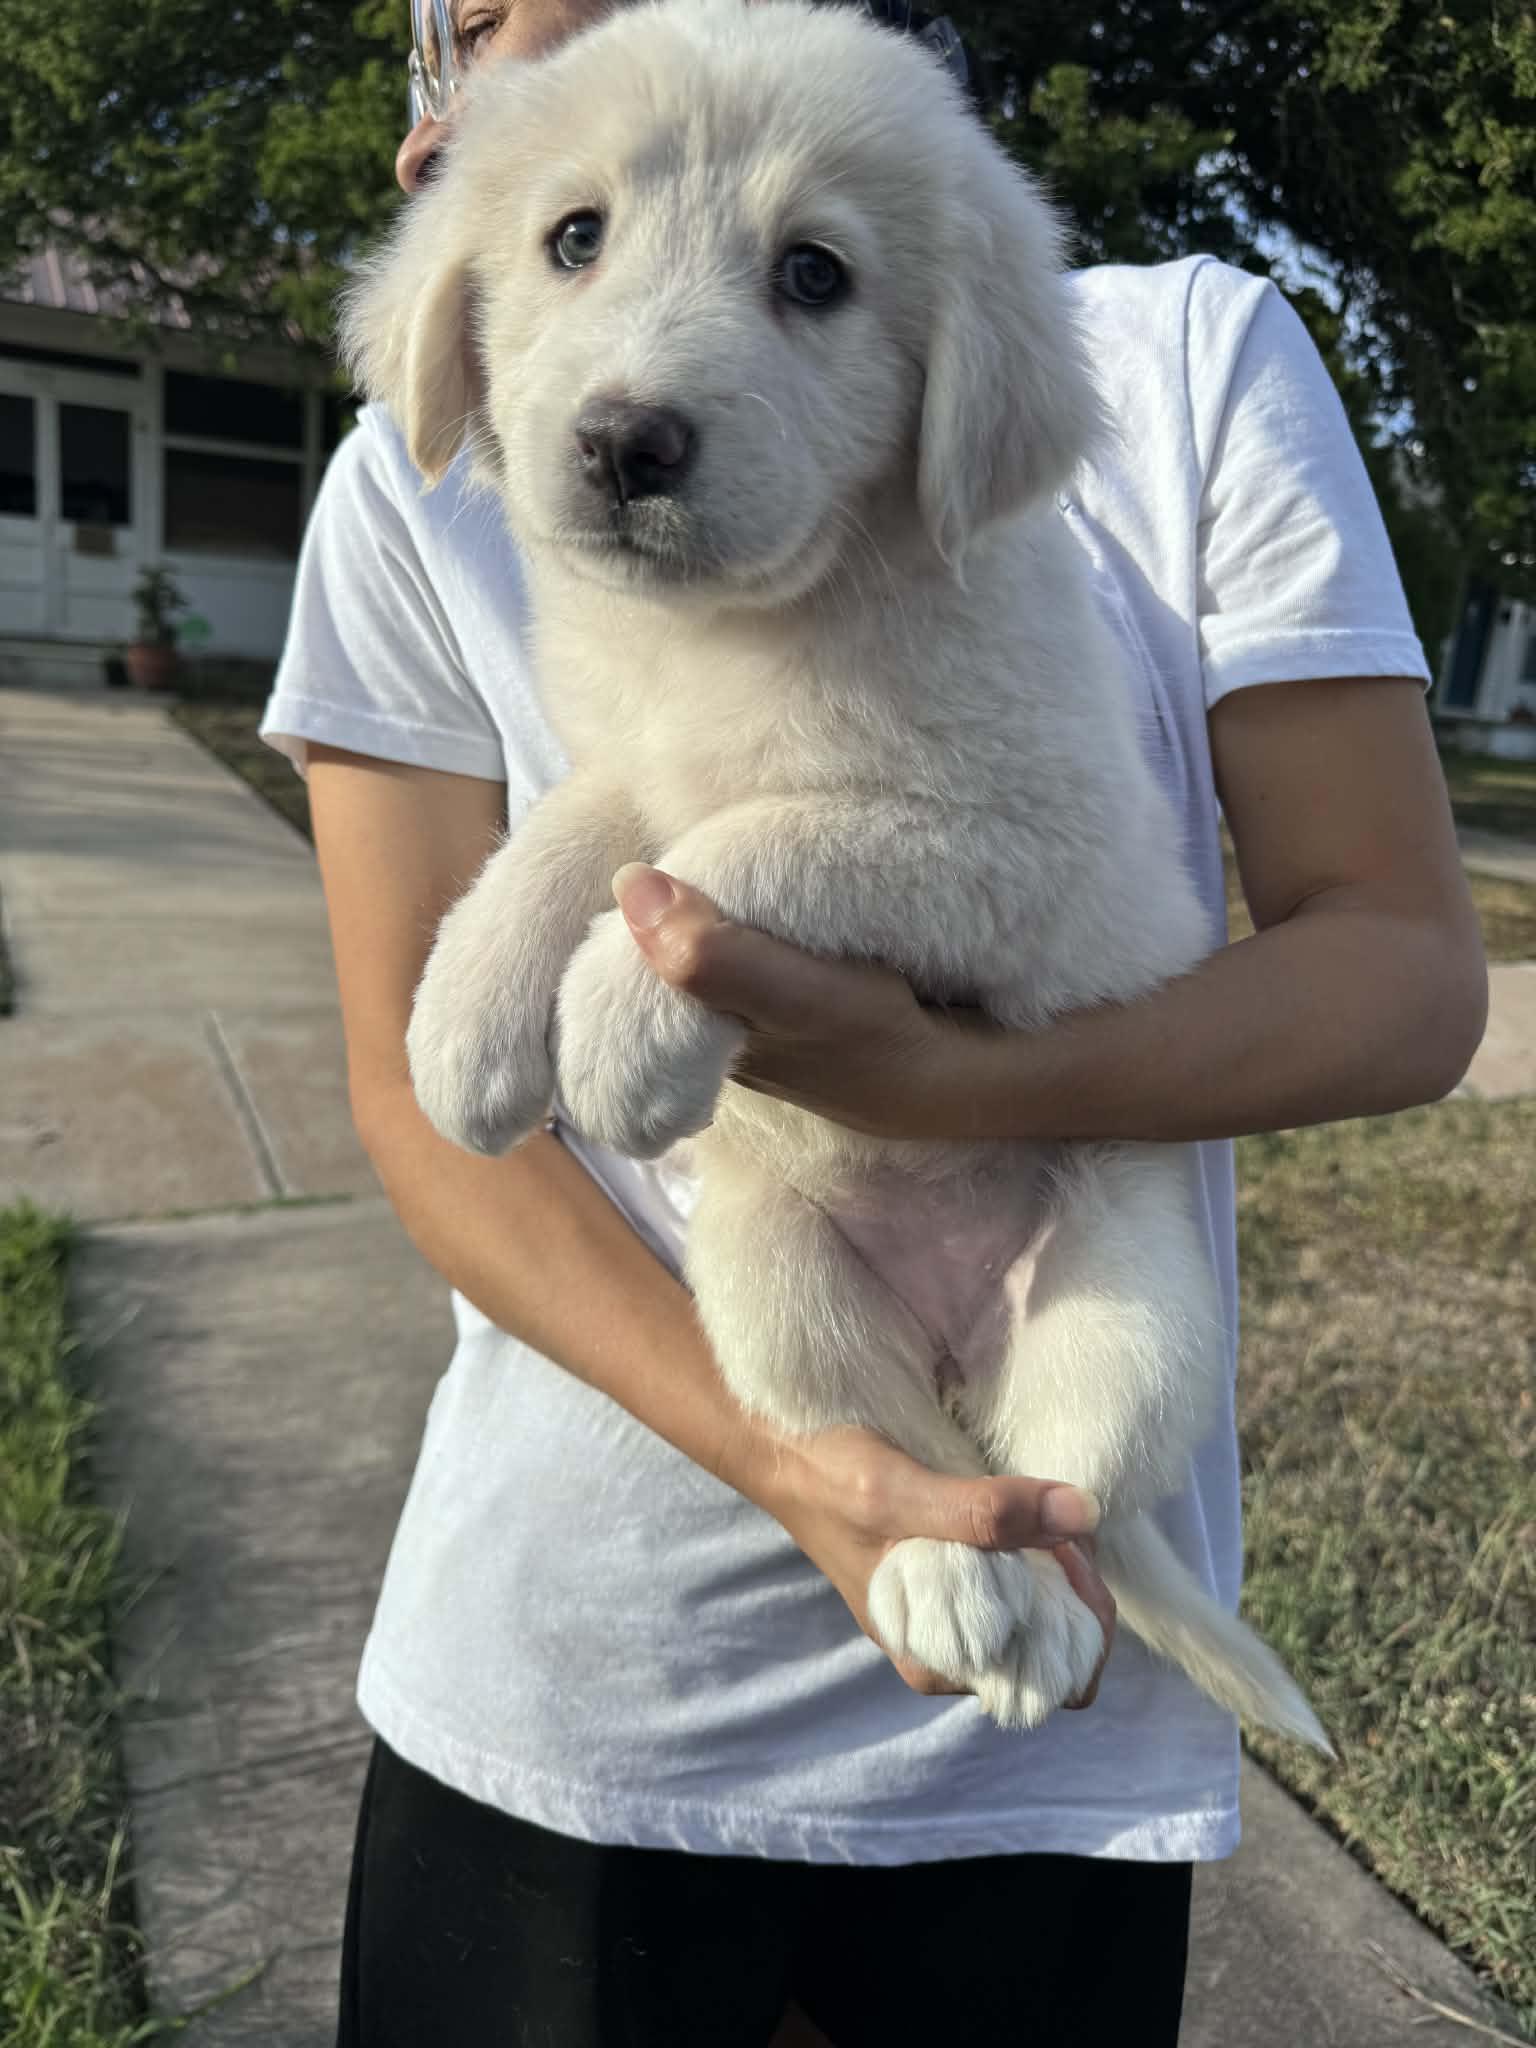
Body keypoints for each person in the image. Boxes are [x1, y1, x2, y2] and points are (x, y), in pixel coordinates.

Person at [258, 1, 1488, 2041]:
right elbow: (436, 1092)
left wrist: (947, 1075)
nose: (641, 379)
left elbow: (1402, 968)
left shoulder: (1165, 355)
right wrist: (820, 1472)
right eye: (563, 222)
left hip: (1036, 1732)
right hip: (568, 1685)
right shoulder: (417, 469)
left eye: (809, 275)